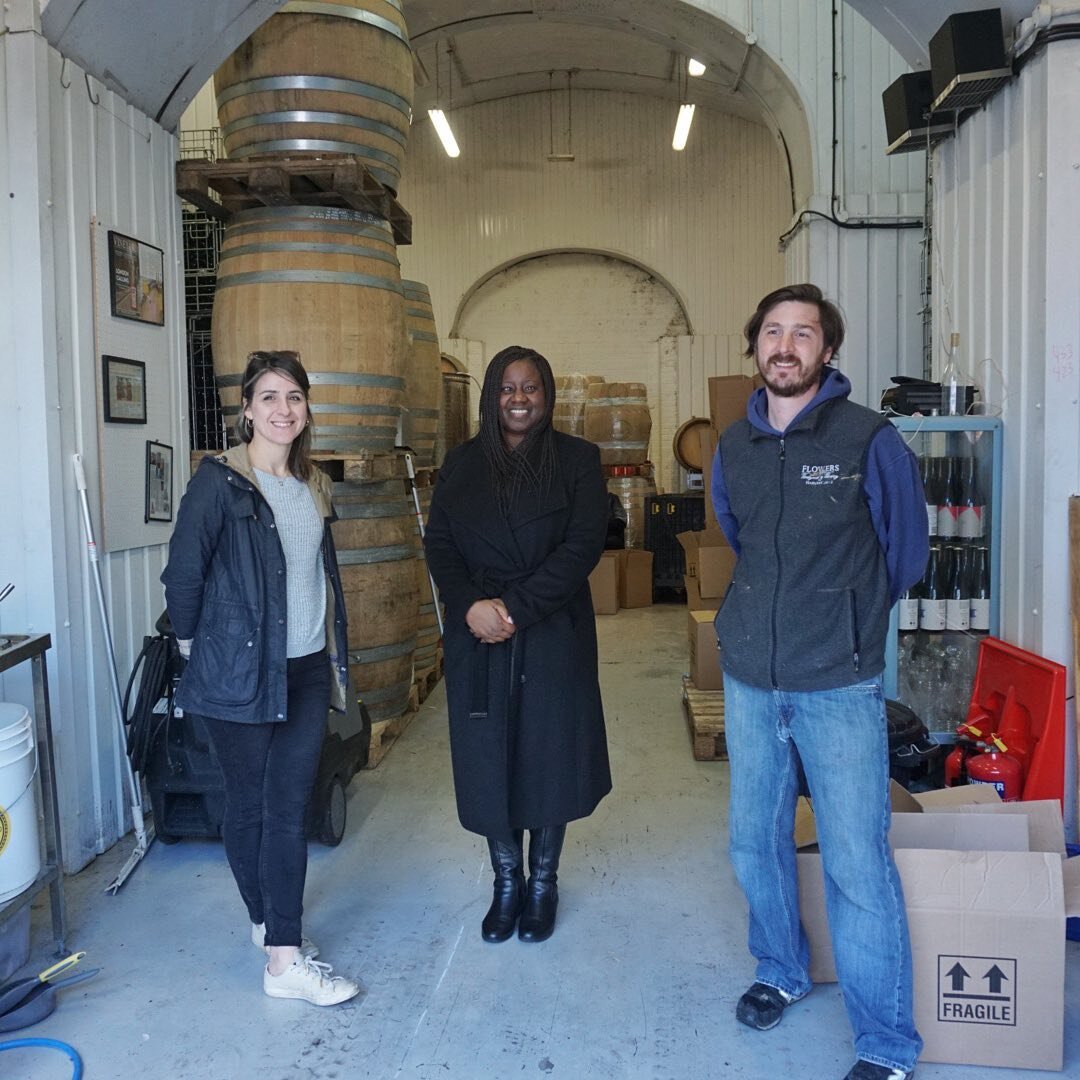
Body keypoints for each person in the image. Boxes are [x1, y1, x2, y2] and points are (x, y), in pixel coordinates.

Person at [710, 285, 928, 1080]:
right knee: (752, 841)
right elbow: (737, 535)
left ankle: (885, 1044)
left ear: (827, 352)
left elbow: (906, 555)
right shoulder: (733, 445)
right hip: (751, 678)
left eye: (804, 333)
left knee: (855, 860)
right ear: (755, 347)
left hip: (838, 682)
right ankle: (780, 968)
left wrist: (845, 624)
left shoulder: (870, 438)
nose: (787, 345)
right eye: (773, 331)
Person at [161, 350, 360, 1006]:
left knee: (286, 807)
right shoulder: (218, 483)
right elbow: (183, 575)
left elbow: (316, 580)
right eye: (269, 397)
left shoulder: (313, 485)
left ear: (306, 410)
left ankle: (280, 949)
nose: (283, 409)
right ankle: (272, 935)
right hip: (238, 674)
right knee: (248, 807)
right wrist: (197, 649)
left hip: (303, 672)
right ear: (246, 409)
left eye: (294, 397)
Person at [423, 345, 612, 944]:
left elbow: (583, 547)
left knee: (548, 755)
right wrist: (472, 605)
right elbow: (441, 546)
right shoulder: (460, 465)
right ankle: (507, 879)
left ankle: (543, 882)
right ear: (490, 396)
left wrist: (515, 608)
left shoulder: (579, 460)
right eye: (507, 388)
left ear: (547, 395)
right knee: (487, 758)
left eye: (530, 388)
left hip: (551, 629)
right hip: (477, 633)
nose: (519, 399)